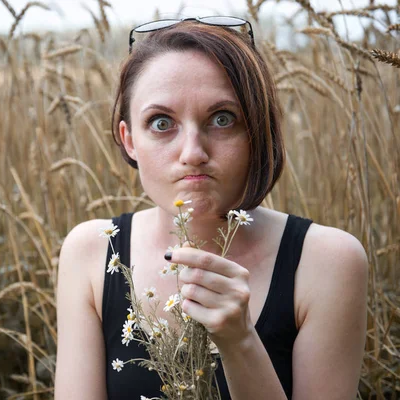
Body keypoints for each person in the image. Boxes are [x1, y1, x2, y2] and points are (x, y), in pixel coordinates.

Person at [54, 17, 368, 400]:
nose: (193, 154)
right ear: (128, 140)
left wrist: (239, 341)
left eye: (222, 119)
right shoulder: (91, 254)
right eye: (161, 122)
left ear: (258, 131)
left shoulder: (326, 262)